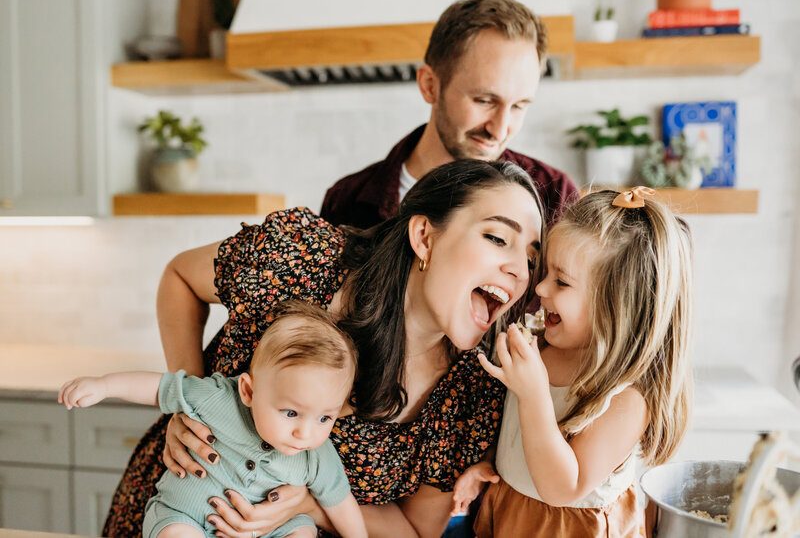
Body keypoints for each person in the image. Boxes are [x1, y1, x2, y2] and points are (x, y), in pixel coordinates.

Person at [102, 159, 545, 537]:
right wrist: (193, 402)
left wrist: (311, 508)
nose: (518, 270)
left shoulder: (475, 388)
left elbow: (413, 531)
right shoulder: (304, 260)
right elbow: (180, 278)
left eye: (530, 256)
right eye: (497, 238)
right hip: (174, 508)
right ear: (424, 237)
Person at [453, 187, 694, 537]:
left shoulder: (625, 397)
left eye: (561, 282)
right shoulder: (542, 349)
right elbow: (520, 435)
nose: (541, 289)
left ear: (616, 308)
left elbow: (563, 487)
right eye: (545, 272)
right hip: (512, 512)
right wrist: (490, 463)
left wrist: (533, 393)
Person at [60, 302, 367, 538]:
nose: (306, 433)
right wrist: (103, 386)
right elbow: (160, 386)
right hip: (185, 517)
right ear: (248, 391)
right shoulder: (219, 398)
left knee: (301, 531)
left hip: (266, 531)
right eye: (291, 413)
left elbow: (341, 505)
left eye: (325, 417)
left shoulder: (317, 456)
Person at [320, 0, 578, 233]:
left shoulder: (554, 198)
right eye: (484, 100)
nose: (499, 129)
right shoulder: (346, 202)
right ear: (429, 86)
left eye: (519, 105)